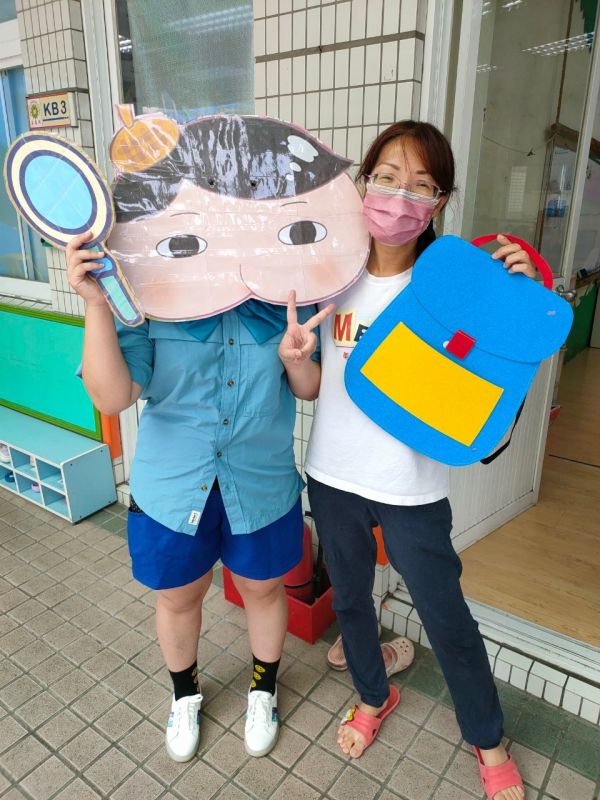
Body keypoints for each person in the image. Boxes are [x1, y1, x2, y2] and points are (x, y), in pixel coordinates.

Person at [65, 113, 350, 763]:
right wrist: (95, 302)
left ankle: (263, 688)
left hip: (261, 482)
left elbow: (307, 388)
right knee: (179, 598)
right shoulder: (150, 289)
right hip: (172, 489)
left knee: (264, 590)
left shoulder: (288, 289)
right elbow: (112, 396)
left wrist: (296, 358)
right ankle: (184, 695)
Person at [283, 120, 533, 800]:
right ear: (364, 183)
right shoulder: (332, 274)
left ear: (440, 201)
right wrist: (296, 362)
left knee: (446, 618)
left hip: (412, 486)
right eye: (388, 178)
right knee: (351, 601)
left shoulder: (452, 286)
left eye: (421, 185)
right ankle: (373, 694)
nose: (400, 198)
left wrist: (515, 295)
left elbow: (493, 379)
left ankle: (487, 738)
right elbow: (313, 386)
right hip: (332, 475)